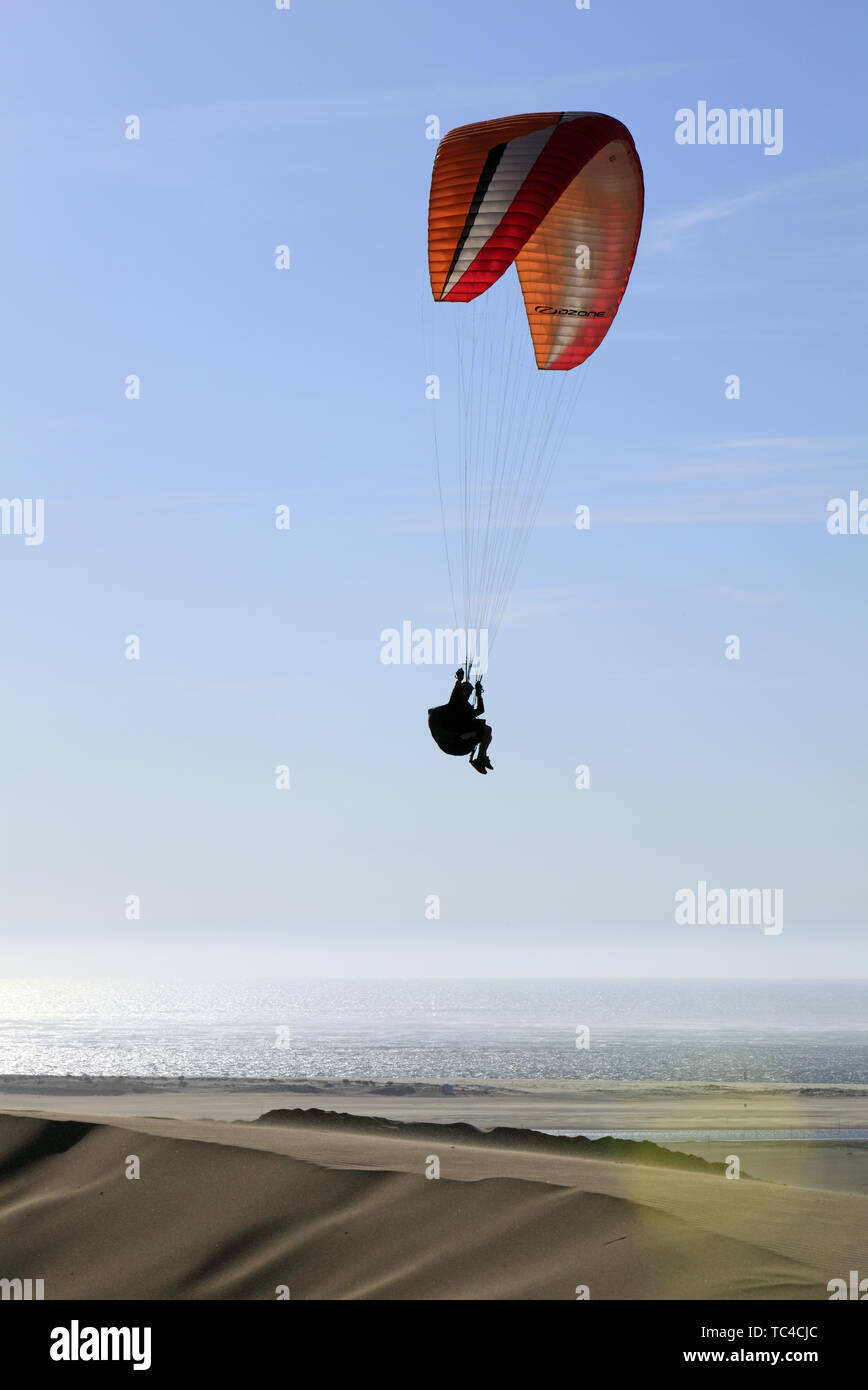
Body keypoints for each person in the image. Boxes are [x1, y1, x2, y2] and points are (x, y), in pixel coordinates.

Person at [427, 668, 493, 774]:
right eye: (467, 692)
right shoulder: (455, 703)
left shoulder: (465, 708)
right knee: (485, 730)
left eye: (470, 693)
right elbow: (455, 695)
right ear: (462, 691)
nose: (468, 695)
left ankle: (481, 758)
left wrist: (479, 694)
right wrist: (459, 680)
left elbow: (480, 710)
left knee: (487, 731)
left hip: (457, 745)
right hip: (455, 743)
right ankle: (480, 758)